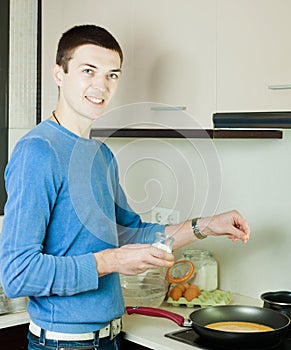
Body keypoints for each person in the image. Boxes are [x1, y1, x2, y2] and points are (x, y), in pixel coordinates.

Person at [0, 25, 250, 350]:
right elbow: (18, 274)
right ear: (59, 73)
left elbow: (131, 234)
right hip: (64, 344)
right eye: (88, 70)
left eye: (112, 75)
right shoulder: (38, 151)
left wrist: (206, 226)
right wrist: (112, 261)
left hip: (111, 337)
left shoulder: (101, 155)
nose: (101, 85)